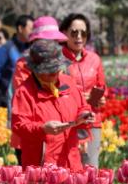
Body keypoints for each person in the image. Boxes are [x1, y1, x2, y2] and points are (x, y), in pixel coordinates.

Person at [12, 39, 94, 170]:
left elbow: (83, 106)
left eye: (57, 69)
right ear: (37, 70)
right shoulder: (24, 92)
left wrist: (84, 115)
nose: (55, 73)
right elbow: (19, 126)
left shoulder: (68, 82)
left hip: (71, 160)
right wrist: (43, 128)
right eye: (50, 71)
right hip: (41, 165)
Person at [9, 15, 68, 165]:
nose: (52, 45)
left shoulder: (61, 63)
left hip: (59, 136)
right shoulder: (24, 65)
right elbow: (27, 98)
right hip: (33, 134)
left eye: (55, 41)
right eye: (47, 41)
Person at [59, 13, 107, 168]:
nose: (79, 37)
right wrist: (79, 98)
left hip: (91, 120)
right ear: (64, 33)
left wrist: (101, 98)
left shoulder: (94, 59)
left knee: (91, 169)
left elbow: (102, 87)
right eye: (74, 32)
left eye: (83, 33)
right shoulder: (58, 60)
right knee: (66, 169)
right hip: (67, 122)